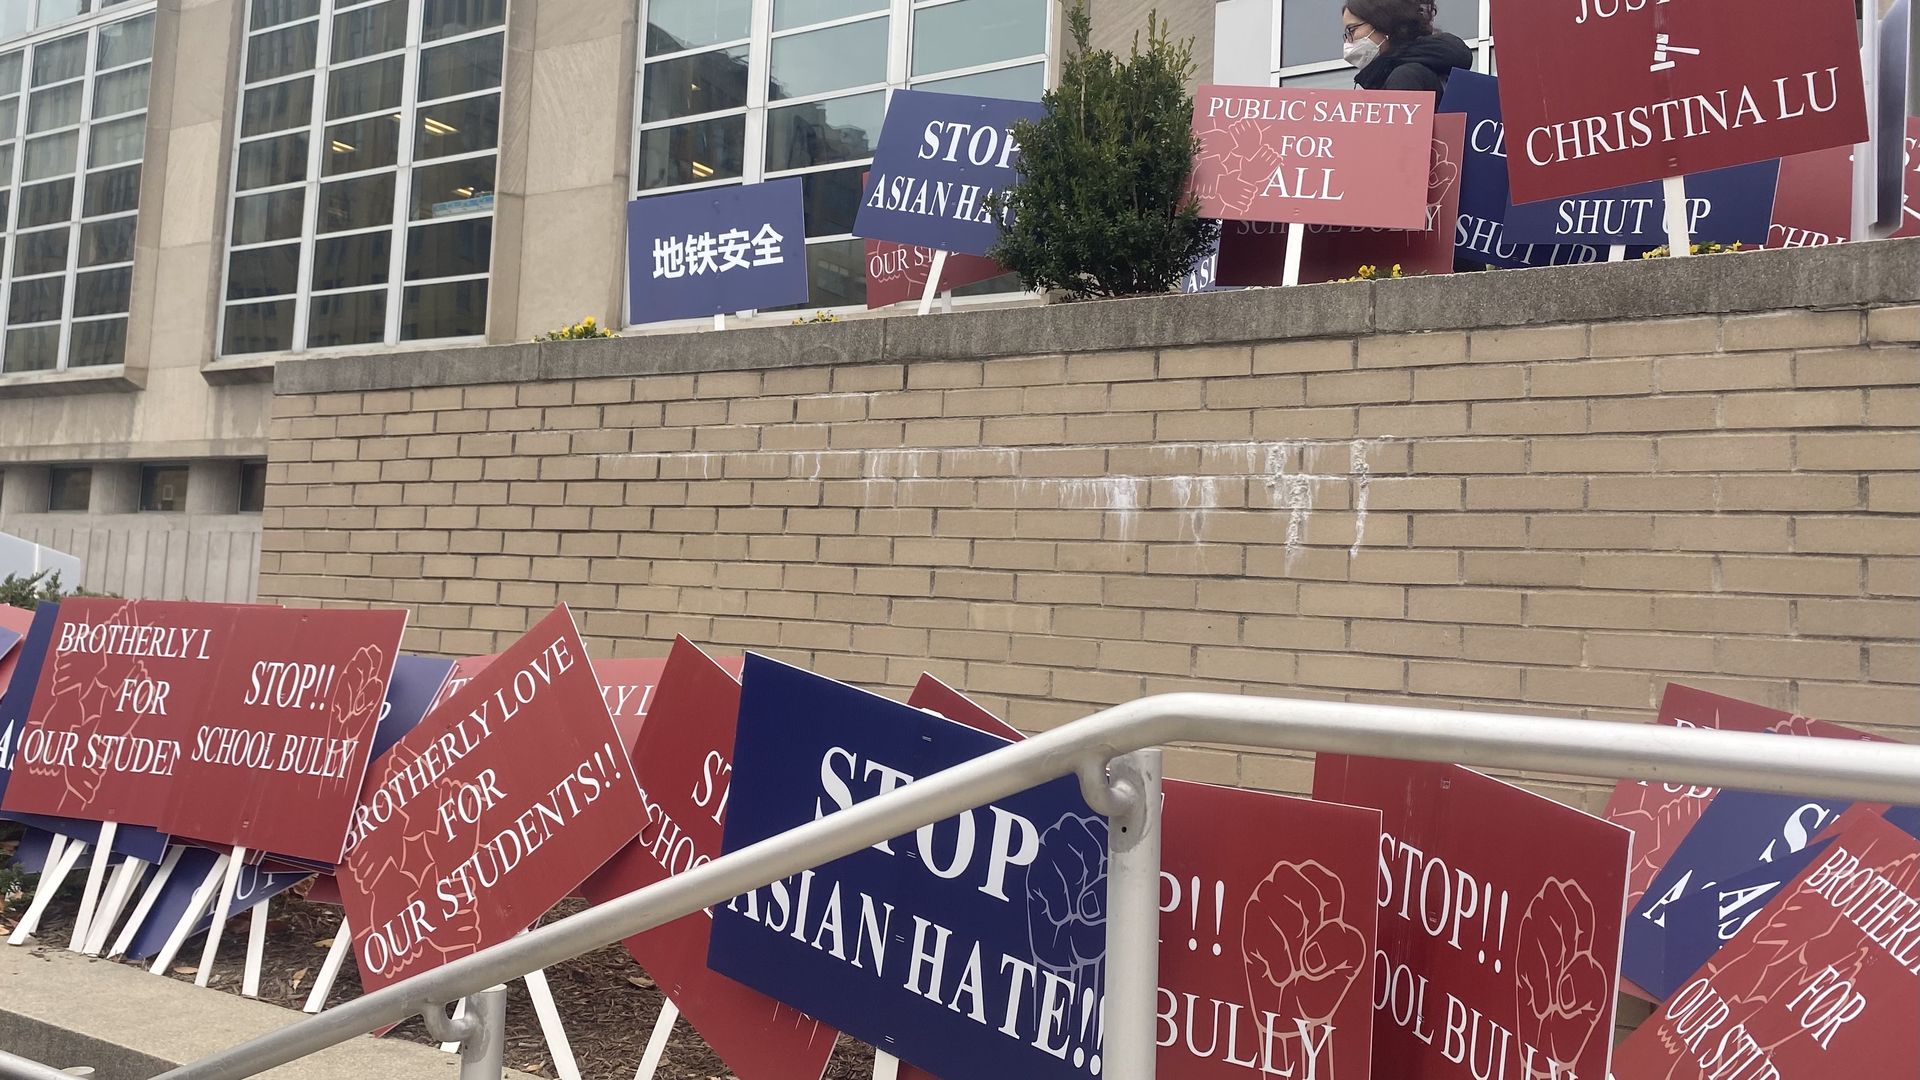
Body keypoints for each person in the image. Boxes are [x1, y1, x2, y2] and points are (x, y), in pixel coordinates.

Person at [1342, 0, 1472, 95]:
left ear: (1382, 23)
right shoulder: (1417, 67)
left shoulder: (1405, 76)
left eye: (1352, 29)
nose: (1348, 40)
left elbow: (1401, 132)